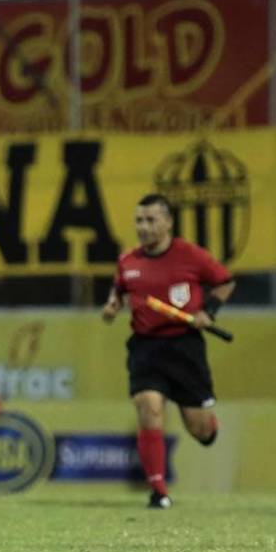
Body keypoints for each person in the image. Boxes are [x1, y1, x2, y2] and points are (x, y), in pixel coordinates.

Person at [101, 193, 235, 509]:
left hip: (184, 346)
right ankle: (158, 492)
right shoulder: (128, 261)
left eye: (151, 220)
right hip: (146, 347)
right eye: (139, 220)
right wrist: (112, 305)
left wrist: (208, 311)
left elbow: (225, 282)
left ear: (168, 222)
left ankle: (208, 426)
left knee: (200, 430)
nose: (143, 227)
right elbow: (119, 290)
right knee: (149, 408)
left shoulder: (191, 255)